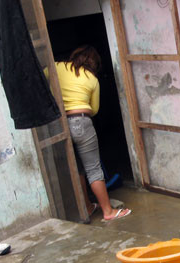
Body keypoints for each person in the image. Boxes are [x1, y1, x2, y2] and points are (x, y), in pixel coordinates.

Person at [54, 45, 131, 222]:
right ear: (94, 64)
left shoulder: (57, 67)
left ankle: (87, 207)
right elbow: (94, 109)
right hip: (81, 121)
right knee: (93, 168)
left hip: (59, 125)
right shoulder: (92, 79)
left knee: (77, 168)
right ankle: (108, 212)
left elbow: (40, 78)